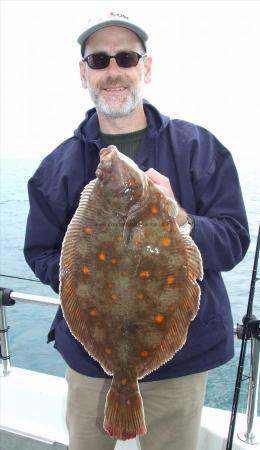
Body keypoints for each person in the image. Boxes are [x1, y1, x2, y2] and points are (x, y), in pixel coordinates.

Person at [24, 12, 250, 450]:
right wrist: (84, 274)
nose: (113, 70)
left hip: (182, 361)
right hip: (90, 364)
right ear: (83, 74)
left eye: (126, 57)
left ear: (145, 68)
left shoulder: (199, 148)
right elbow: (39, 252)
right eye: (99, 59)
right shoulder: (57, 167)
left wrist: (181, 218)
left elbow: (235, 239)